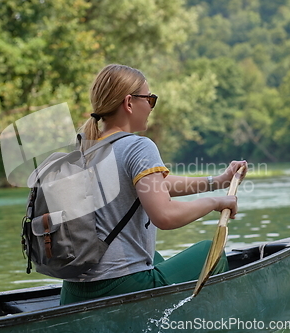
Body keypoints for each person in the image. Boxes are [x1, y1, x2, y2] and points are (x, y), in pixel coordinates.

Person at [60, 64, 247, 305]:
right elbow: (165, 215)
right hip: (119, 287)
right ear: (129, 103)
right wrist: (215, 202)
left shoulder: (85, 148)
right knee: (209, 251)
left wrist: (217, 182)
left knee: (154, 257)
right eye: (149, 98)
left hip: (73, 292)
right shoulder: (138, 146)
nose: (151, 105)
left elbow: (154, 185)